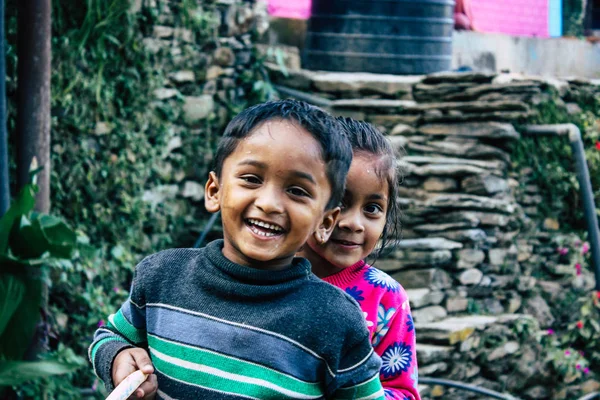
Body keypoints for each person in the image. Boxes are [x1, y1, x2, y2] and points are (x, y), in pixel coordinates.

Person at [88, 100, 386, 399]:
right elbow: (110, 336)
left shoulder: (334, 321)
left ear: (325, 221)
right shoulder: (160, 278)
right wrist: (118, 357)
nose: (268, 203)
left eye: (297, 190)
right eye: (252, 179)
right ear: (214, 191)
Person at [299, 118, 420, 400]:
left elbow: (402, 391)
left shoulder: (385, 298)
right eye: (340, 202)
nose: (354, 223)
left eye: (373, 208)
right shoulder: (266, 276)